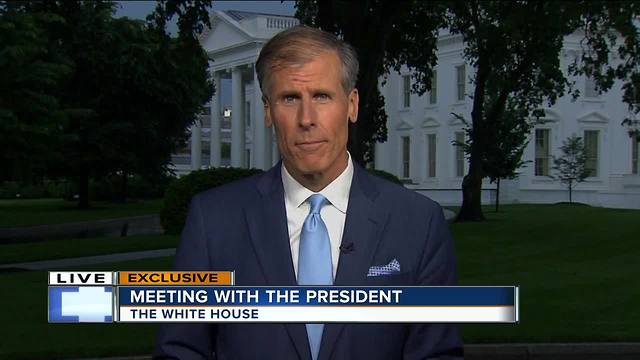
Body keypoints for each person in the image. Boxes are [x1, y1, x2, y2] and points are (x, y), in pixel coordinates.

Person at [154, 25, 463, 360]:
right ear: (268, 111)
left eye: (321, 96)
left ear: (352, 105)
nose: (307, 119)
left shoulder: (418, 223)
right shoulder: (212, 221)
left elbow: (436, 353)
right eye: (290, 98)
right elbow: (180, 351)